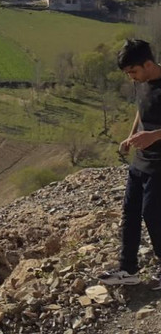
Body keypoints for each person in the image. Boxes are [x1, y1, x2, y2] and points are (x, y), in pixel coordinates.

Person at [100, 39, 161, 287]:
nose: (131, 78)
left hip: (160, 164)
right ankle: (127, 270)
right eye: (127, 73)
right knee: (130, 212)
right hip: (140, 160)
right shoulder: (141, 82)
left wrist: (154, 135)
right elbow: (141, 109)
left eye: (133, 71)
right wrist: (131, 135)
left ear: (148, 64)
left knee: (153, 214)